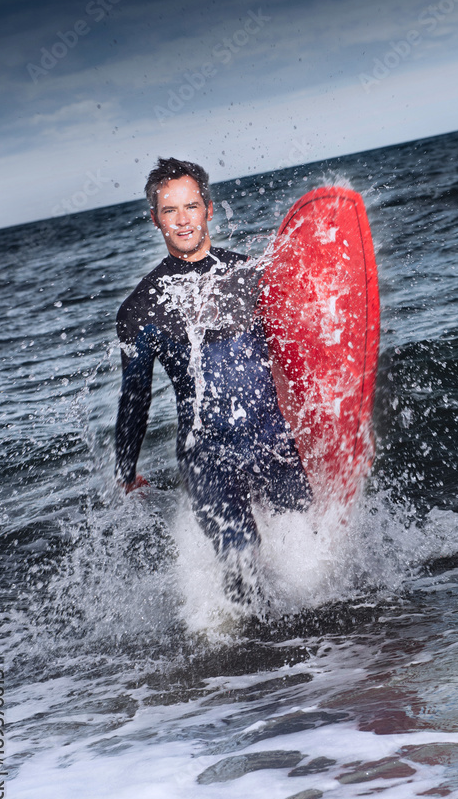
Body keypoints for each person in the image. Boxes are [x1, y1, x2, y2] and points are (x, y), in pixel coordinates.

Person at [115, 157, 312, 584]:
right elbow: (135, 396)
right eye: (170, 210)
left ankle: (324, 646)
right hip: (207, 454)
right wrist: (125, 470)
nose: (182, 221)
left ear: (206, 207)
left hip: (271, 437)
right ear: (155, 219)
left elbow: (296, 350)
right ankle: (247, 647)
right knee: (241, 558)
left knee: (307, 545)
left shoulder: (250, 274)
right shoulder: (140, 309)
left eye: (190, 207)